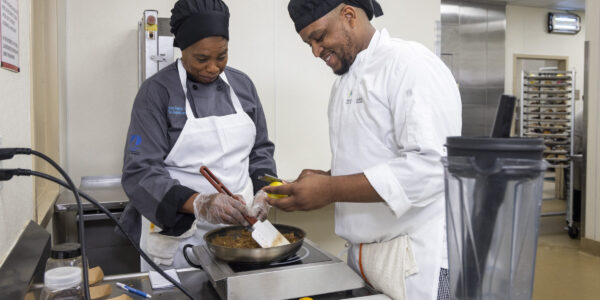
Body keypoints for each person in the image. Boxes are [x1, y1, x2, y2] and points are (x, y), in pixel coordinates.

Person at [264, 1, 461, 299]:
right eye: (309, 43)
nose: (316, 51)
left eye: (319, 37)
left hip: (417, 262)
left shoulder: (409, 63)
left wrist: (330, 188)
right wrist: (326, 178)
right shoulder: (344, 82)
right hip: (365, 260)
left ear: (348, 15)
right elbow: (378, 160)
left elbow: (432, 168)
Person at [120, 0, 276, 270]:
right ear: (182, 49)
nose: (213, 68)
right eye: (202, 59)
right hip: (179, 238)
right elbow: (140, 172)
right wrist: (202, 203)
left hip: (241, 232)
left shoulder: (243, 86)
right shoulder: (156, 92)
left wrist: (264, 191)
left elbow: (260, 150)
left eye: (222, 56)